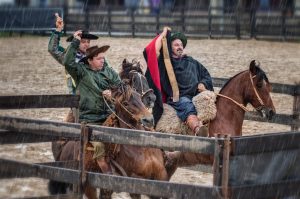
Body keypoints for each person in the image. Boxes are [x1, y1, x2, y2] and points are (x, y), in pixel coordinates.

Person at [63, 30, 121, 173]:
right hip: (91, 119)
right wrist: (76, 42)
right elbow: (67, 62)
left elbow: (121, 87)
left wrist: (112, 93)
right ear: (89, 60)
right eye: (99, 58)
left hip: (111, 116)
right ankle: (107, 175)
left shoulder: (109, 71)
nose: (103, 60)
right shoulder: (81, 72)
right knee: (100, 149)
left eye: (103, 58)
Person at [144, 27, 213, 137]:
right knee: (187, 104)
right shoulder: (166, 63)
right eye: (176, 45)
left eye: (181, 45)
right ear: (169, 47)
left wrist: (203, 84)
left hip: (196, 95)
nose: (180, 47)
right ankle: (198, 129)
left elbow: (206, 75)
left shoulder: (192, 62)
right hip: (178, 98)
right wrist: (164, 34)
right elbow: (152, 51)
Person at [48, 13, 99, 161]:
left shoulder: (94, 57)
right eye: (83, 41)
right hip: (77, 102)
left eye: (88, 42)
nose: (87, 44)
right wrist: (58, 31)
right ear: (76, 42)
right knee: (67, 135)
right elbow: (52, 49)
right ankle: (65, 161)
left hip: (95, 99)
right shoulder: (68, 57)